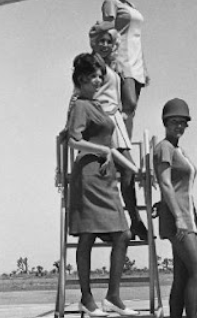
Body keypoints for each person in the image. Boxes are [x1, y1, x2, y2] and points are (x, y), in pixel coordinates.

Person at [68, 53, 139, 317]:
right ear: (82, 79)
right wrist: (101, 151)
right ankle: (87, 299)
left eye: (101, 76)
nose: (98, 80)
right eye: (94, 76)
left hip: (106, 178)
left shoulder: (98, 106)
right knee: (87, 236)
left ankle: (113, 297)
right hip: (88, 175)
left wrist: (135, 169)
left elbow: (111, 148)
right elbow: (73, 140)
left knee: (123, 234)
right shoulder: (80, 106)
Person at [88, 21, 148, 241]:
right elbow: (78, 93)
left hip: (116, 121)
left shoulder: (116, 66)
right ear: (94, 42)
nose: (104, 45)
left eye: (109, 41)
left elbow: (129, 100)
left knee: (129, 172)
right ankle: (107, 224)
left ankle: (135, 220)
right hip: (98, 121)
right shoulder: (89, 64)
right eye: (101, 41)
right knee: (106, 172)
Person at [153, 98, 197, 318]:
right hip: (179, 216)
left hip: (185, 213)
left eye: (183, 122)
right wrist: (178, 218)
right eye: (174, 121)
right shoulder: (164, 148)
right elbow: (165, 183)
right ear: (165, 122)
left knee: (183, 275)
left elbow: (174, 184)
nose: (179, 126)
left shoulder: (176, 149)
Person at [102, 0, 148, 138]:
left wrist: (145, 66)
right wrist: (112, 60)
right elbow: (108, 30)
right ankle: (119, 144)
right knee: (127, 102)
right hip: (121, 58)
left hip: (136, 60)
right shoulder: (111, 2)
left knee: (132, 107)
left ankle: (125, 143)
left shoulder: (131, 6)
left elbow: (136, 36)